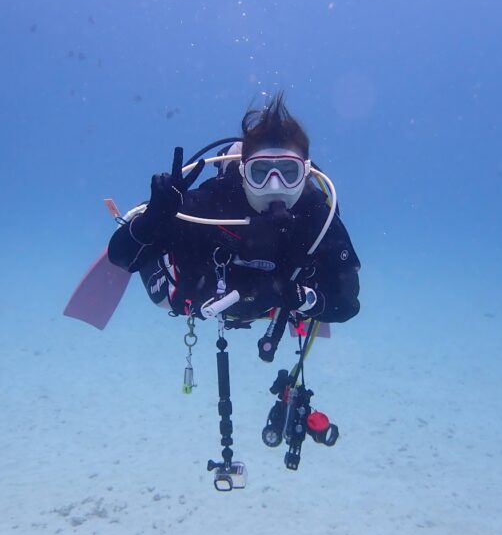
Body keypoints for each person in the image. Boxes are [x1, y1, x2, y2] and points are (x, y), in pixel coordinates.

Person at [107, 94, 360, 347]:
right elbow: (121, 257)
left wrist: (304, 298)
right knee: (162, 292)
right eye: (259, 172)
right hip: (199, 296)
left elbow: (347, 303)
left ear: (305, 173)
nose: (274, 186)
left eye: (289, 172)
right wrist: (153, 218)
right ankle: (137, 217)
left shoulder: (316, 217)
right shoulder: (209, 205)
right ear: (242, 172)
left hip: (277, 306)